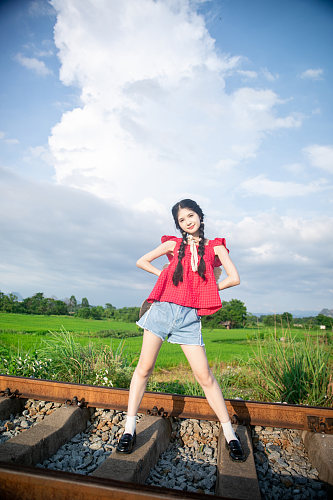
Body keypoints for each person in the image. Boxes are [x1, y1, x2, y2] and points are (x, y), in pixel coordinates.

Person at [116, 199, 245, 461]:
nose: (188, 221)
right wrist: (163, 276)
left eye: (191, 215)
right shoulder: (172, 245)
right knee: (144, 368)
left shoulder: (215, 247)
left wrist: (205, 290)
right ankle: (129, 428)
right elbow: (142, 261)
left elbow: (234, 278)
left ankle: (230, 433)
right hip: (162, 310)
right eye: (182, 219)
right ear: (178, 225)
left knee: (205, 376)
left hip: (188, 317)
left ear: (200, 216)